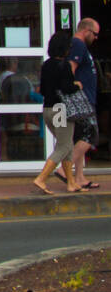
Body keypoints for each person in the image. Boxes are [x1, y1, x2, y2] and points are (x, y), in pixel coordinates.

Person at [35, 31, 82, 195]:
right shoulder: (65, 66)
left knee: (66, 144)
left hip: (47, 109)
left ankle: (71, 182)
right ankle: (41, 178)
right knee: (65, 145)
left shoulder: (46, 65)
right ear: (65, 49)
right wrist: (77, 85)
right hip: (61, 110)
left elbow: (42, 89)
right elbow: (67, 89)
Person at [65, 18, 101, 190]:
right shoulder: (78, 45)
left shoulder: (80, 46)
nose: (96, 38)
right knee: (91, 135)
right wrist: (73, 92)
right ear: (86, 31)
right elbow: (70, 69)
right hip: (83, 99)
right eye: (95, 34)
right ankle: (66, 169)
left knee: (80, 137)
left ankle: (79, 177)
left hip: (86, 97)